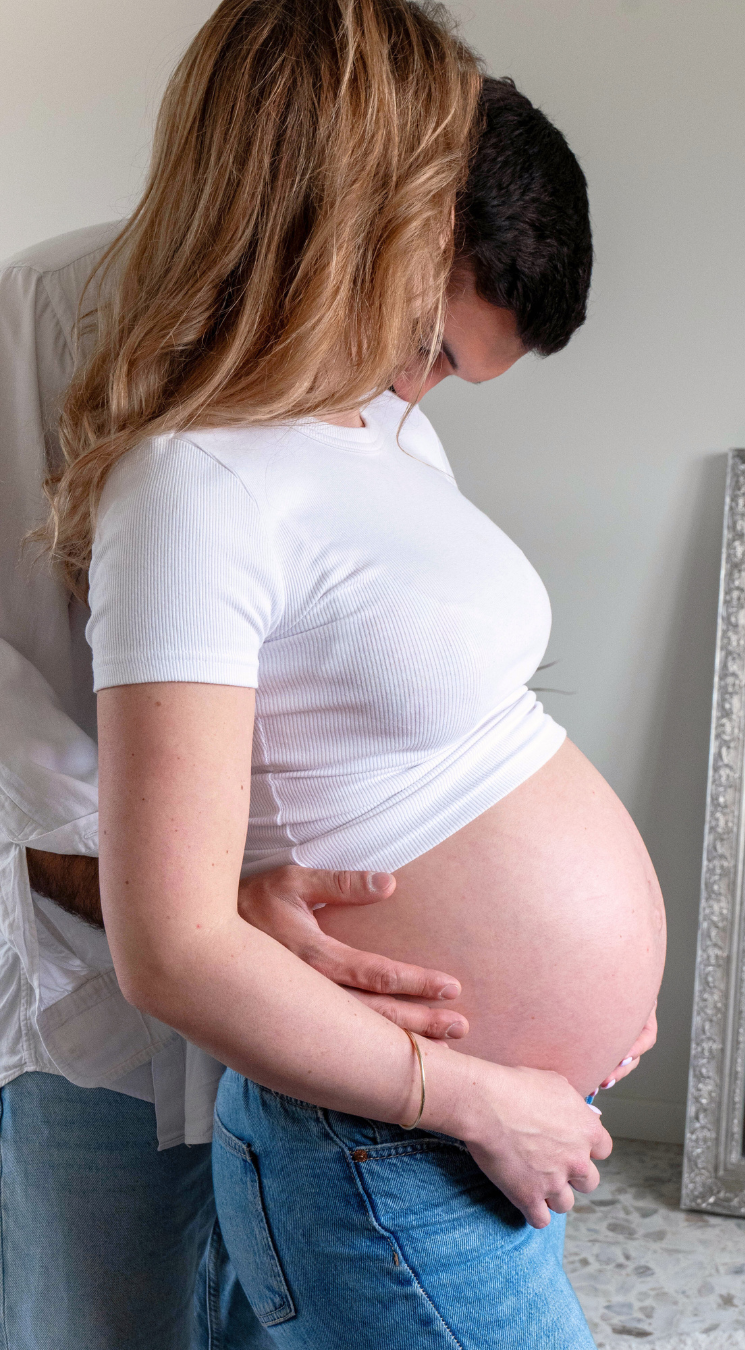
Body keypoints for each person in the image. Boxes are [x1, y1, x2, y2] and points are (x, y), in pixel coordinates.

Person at [0, 49, 650, 1350]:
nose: (412, 390)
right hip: (108, 982)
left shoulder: (370, 415)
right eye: (425, 348)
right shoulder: (54, 329)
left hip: (327, 1030)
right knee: (103, 1318)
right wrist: (176, 885)